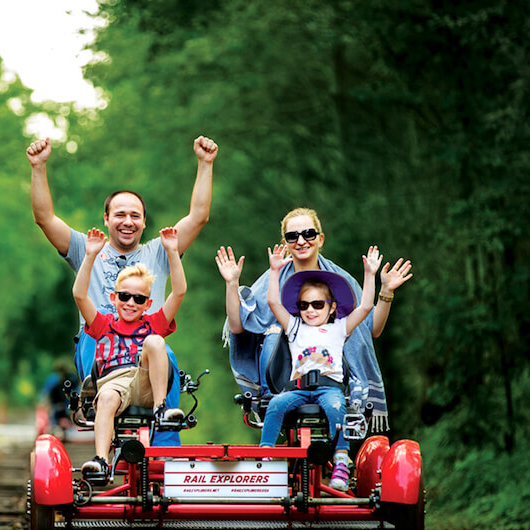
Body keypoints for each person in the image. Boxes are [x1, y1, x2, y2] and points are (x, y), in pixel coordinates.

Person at [27, 135, 218, 446]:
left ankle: (164, 447)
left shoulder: (159, 252)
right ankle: (102, 420)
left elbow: (198, 216)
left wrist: (205, 164)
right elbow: (44, 218)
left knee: (163, 352)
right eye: (119, 214)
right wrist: (38, 167)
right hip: (99, 339)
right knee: (96, 340)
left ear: (144, 223)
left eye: (134, 216)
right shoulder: (86, 248)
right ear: (106, 219)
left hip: (146, 345)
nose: (127, 221)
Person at [218, 207, 413, 434]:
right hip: (284, 377)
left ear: (320, 239)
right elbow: (238, 325)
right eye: (293, 236)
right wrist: (232, 284)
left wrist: (386, 291)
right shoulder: (274, 277)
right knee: (273, 332)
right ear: (285, 242)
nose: (301, 241)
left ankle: (339, 455)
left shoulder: (340, 281)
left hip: (332, 376)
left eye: (308, 234)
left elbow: (371, 329)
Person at [74, 226, 187, 481]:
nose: (130, 303)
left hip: (145, 383)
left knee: (156, 342)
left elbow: (179, 292)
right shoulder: (103, 324)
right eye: (125, 296)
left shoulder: (152, 323)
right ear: (114, 298)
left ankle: (161, 409)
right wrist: (90, 256)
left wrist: (171, 252)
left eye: (138, 299)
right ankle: (102, 461)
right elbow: (79, 294)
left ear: (148, 303)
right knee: (106, 399)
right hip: (114, 383)